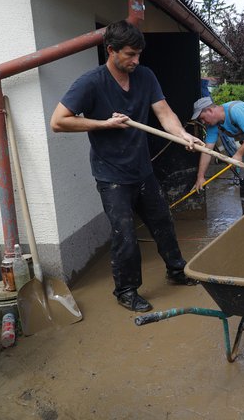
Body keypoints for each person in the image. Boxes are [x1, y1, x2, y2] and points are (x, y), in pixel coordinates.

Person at [50, 20, 204, 312]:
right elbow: (58, 121)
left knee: (162, 222)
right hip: (112, 175)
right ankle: (126, 290)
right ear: (111, 51)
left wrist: (183, 135)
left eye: (138, 55)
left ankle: (176, 270)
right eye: (130, 54)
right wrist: (104, 124)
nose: (136, 60)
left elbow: (164, 112)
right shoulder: (91, 82)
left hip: (141, 168)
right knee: (125, 234)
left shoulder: (145, 76)